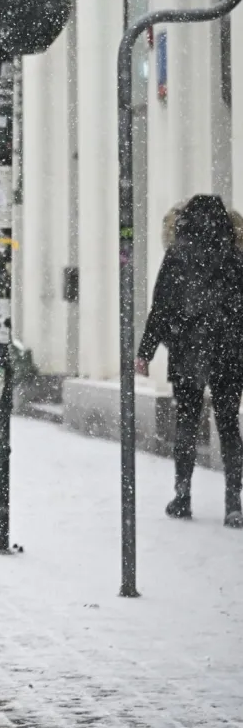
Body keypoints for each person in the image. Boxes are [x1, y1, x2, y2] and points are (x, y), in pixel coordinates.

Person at [136, 194, 243, 529]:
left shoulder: (178, 253)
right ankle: (233, 504)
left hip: (188, 352)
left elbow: (162, 306)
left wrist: (146, 350)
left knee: (186, 423)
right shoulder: (234, 254)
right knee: (228, 426)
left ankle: (182, 496)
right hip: (229, 351)